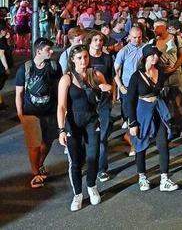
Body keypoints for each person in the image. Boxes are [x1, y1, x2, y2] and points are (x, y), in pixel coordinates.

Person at [57, 44, 112, 211]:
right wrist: (61, 130)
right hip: (73, 123)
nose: (83, 61)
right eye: (79, 58)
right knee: (75, 161)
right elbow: (61, 106)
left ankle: (92, 186)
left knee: (93, 156)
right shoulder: (66, 78)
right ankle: (78, 195)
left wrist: (106, 90)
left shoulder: (95, 74)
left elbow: (109, 89)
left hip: (91, 121)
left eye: (86, 57)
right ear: (72, 60)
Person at [126, 44, 179, 192]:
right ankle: (142, 176)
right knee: (141, 145)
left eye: (157, 54)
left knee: (163, 144)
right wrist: (132, 122)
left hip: (157, 109)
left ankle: (164, 179)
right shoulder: (136, 76)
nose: (155, 57)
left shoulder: (160, 72)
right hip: (142, 111)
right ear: (145, 57)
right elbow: (130, 100)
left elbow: (173, 69)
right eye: (152, 54)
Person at [15, 38, 61, 189]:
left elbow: (57, 88)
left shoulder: (54, 66)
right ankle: (35, 174)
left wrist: (60, 108)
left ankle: (39, 164)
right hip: (31, 113)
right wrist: (21, 114)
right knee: (34, 145)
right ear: (39, 51)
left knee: (47, 141)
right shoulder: (25, 69)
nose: (51, 52)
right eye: (48, 49)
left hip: (50, 111)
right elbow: (19, 93)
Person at [86, 31, 116, 182]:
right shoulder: (84, 58)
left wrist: (113, 95)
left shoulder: (107, 58)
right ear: (90, 41)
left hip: (104, 102)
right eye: (95, 40)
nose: (98, 42)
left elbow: (112, 78)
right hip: (87, 103)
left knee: (102, 137)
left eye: (101, 40)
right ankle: (90, 163)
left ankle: (102, 168)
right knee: (89, 137)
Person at [114, 26, 145, 155]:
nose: (136, 40)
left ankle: (135, 141)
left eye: (139, 37)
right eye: (134, 38)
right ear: (129, 37)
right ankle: (133, 144)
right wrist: (120, 87)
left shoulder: (145, 48)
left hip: (142, 87)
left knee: (140, 116)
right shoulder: (123, 51)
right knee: (131, 118)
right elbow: (115, 71)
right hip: (127, 88)